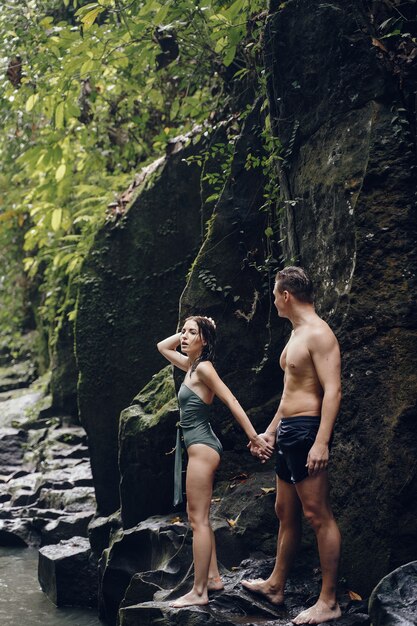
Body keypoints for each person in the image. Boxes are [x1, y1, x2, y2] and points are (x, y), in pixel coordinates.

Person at [242, 266, 342, 625]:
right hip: (288, 431)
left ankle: (328, 602)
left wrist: (321, 442)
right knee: (285, 511)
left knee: (318, 514)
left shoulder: (318, 333)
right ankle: (275, 585)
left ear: (286, 295)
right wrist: (270, 432)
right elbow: (289, 394)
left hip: (306, 432)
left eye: (274, 294)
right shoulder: (296, 333)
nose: (273, 300)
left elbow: (333, 390)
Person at [157, 315, 273, 609]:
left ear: (205, 341)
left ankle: (199, 592)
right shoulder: (191, 366)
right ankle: (213, 578)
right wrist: (192, 328)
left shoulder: (204, 368)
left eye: (191, 332)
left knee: (197, 521)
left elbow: (231, 400)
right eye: (182, 331)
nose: (183, 337)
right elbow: (162, 346)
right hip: (198, 447)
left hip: (202, 449)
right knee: (199, 517)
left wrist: (254, 437)